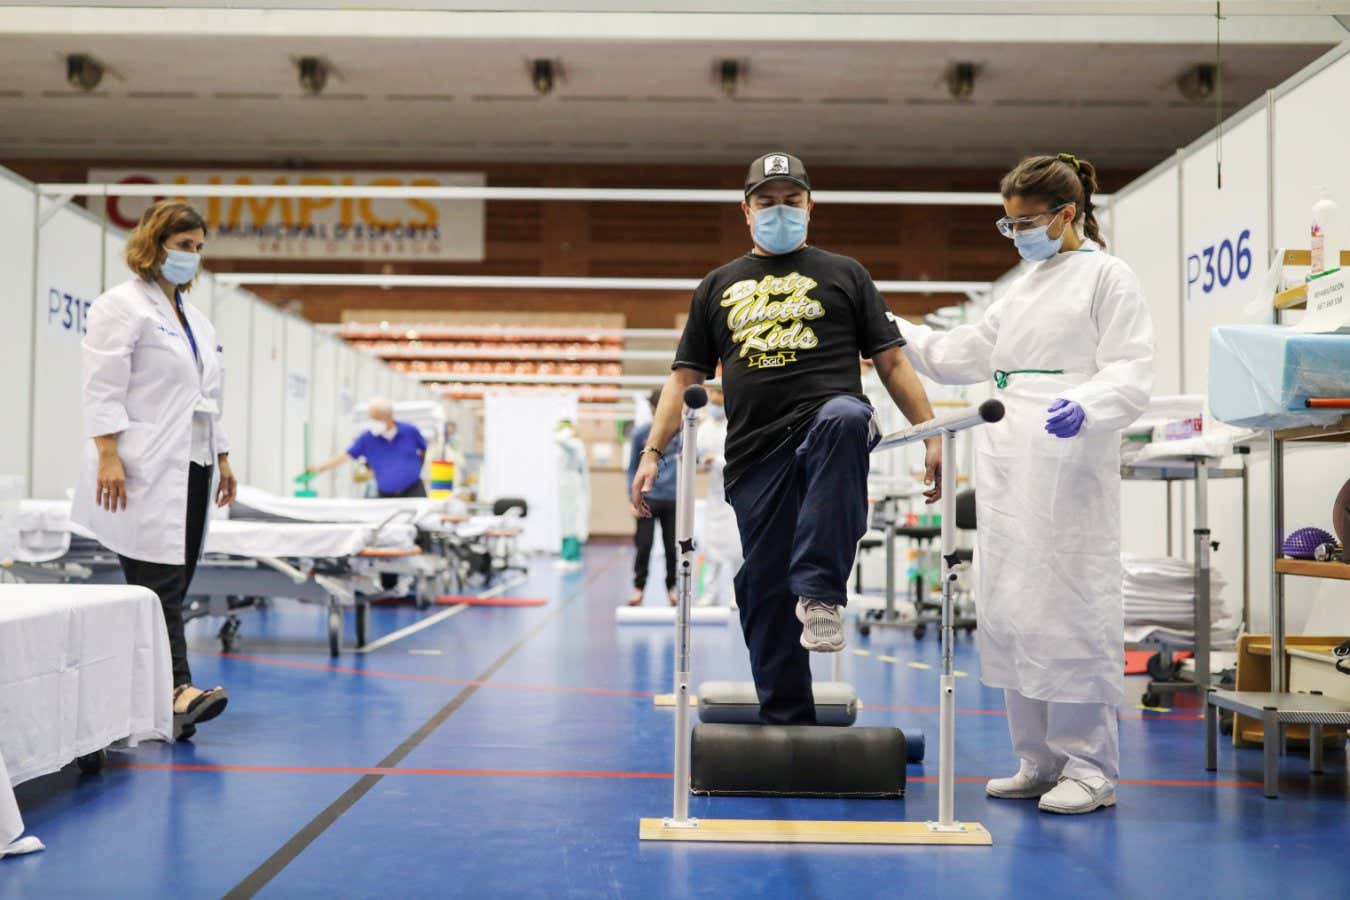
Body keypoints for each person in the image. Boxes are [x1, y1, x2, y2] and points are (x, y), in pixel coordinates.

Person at [631, 152, 941, 725]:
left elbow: (892, 363)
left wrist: (930, 433)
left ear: (810, 206)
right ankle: (788, 716)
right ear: (746, 211)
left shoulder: (847, 274)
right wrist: (653, 451)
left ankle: (822, 595)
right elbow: (684, 379)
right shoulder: (717, 286)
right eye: (767, 202)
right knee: (764, 582)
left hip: (829, 429)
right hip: (754, 457)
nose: (780, 211)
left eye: (791, 201)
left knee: (847, 416)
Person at [901, 153, 1155, 815]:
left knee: (1070, 602)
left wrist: (1090, 405)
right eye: (1007, 224)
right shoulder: (1022, 283)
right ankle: (1037, 759)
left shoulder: (1107, 276)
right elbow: (963, 355)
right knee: (1014, 602)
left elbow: (1131, 371)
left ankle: (1090, 767)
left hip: (1069, 454)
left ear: (1068, 214)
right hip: (1008, 453)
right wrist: (892, 327)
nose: (1016, 234)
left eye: (1026, 222)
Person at [72, 199, 237, 740]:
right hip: (140, 467)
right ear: (154, 244)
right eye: (183, 245)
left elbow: (208, 396)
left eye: (198, 248)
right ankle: (177, 691)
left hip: (191, 464)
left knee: (174, 583)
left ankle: (147, 693)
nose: (191, 256)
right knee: (159, 585)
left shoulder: (195, 320)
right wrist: (108, 455)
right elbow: (101, 387)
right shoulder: (122, 306)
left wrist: (225, 456)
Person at [307, 398, 428, 497]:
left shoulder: (409, 432)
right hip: (385, 495)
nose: (373, 422)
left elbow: (423, 451)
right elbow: (345, 456)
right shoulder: (368, 438)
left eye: (376, 418)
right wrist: (320, 468)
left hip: (413, 490)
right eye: (372, 418)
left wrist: (414, 469)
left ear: (388, 416)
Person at [626, 390, 681, 606]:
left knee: (671, 547)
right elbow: (632, 467)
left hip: (672, 499)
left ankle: (672, 588)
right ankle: (638, 587)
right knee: (644, 545)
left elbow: (693, 458)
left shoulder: (681, 432)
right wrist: (631, 499)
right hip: (647, 498)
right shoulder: (641, 434)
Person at [695, 385, 740, 607]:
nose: (715, 407)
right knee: (709, 547)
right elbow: (697, 454)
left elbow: (741, 457)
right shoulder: (705, 427)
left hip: (735, 497)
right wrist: (704, 461)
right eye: (712, 403)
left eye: (718, 403)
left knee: (737, 549)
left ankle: (737, 594)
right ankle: (710, 593)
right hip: (714, 496)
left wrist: (718, 460)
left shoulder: (736, 426)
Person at [555, 419, 589, 571]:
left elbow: (560, 440)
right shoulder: (570, 446)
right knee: (565, 523)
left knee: (572, 524)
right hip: (566, 487)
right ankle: (566, 556)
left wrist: (567, 431)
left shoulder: (575, 444)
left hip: (572, 488)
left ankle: (572, 557)